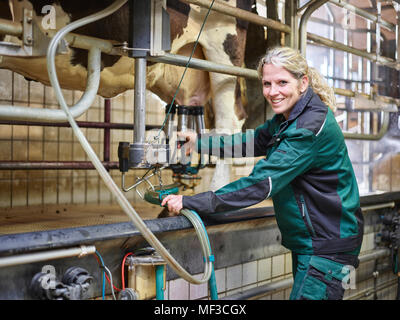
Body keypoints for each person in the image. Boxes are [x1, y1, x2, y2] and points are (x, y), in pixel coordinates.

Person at [161, 46, 364, 300]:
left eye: (281, 82)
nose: (272, 92)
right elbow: (252, 141)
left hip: (328, 248)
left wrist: (193, 201)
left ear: (303, 83)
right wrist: (199, 143)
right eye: (267, 84)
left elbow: (261, 184)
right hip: (319, 242)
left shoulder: (307, 128)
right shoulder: (289, 118)